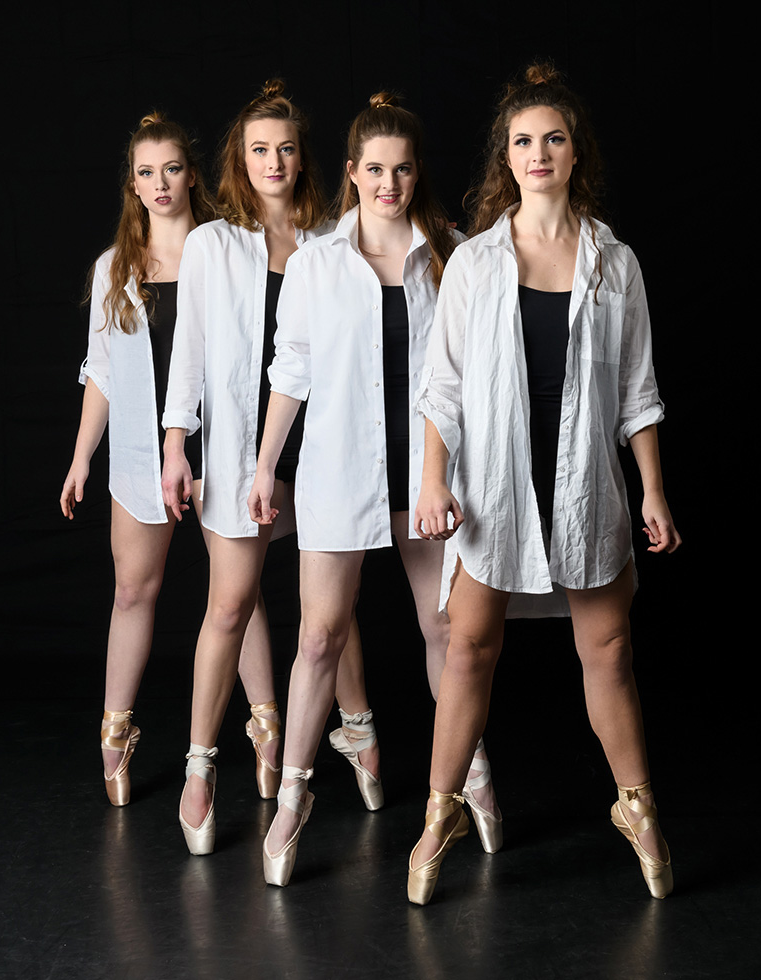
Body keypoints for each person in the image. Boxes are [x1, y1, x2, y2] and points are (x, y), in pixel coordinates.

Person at [408, 63, 682, 905]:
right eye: (523, 141)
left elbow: (637, 391)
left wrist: (653, 491)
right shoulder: (476, 262)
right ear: (507, 157)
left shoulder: (615, 265)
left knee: (609, 649)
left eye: (553, 139)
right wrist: (432, 481)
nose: (538, 153)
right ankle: (441, 814)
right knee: (468, 649)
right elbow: (443, 386)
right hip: (494, 489)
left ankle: (637, 808)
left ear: (574, 152)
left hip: (585, 487)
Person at [248, 92, 491, 888]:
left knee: (447, 632)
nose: (389, 184)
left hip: (429, 478)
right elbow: (291, 370)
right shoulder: (316, 261)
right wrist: (264, 466)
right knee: (319, 638)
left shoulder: (452, 255)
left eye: (403, 170)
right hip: (338, 472)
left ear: (418, 174)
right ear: (352, 172)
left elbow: (474, 371)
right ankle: (293, 797)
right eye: (375, 170)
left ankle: (471, 777)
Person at [161, 80, 373, 855]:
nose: (274, 162)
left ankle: (359, 734)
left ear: (303, 158)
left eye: (285, 149)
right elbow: (188, 352)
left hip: (322, 452)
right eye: (259, 150)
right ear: (240, 161)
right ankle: (200, 766)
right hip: (238, 453)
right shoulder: (211, 245)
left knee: (330, 615)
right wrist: (175, 444)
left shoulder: (333, 242)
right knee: (229, 605)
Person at [60, 113, 282, 808]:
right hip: (138, 455)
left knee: (238, 595)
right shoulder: (114, 268)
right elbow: (101, 372)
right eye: (146, 173)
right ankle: (115, 732)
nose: (160, 184)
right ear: (133, 185)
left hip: (223, 449)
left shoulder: (230, 251)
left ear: (192, 175)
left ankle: (268, 729)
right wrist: (81, 458)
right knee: (133, 591)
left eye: (173, 169)